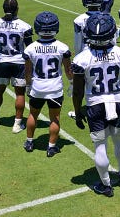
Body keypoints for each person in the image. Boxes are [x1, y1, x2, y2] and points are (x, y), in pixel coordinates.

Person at [71, 13, 120, 197]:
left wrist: (77, 110)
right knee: (119, 140)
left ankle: (106, 184)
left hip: (95, 104)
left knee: (100, 146)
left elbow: (77, 91)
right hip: (117, 101)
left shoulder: (81, 59)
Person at [23, 12, 73, 157]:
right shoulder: (62, 47)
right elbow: (68, 69)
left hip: (37, 87)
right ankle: (51, 147)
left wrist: (28, 85)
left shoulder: (30, 48)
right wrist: (71, 83)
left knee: (33, 114)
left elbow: (27, 71)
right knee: (55, 117)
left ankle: (29, 141)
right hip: (55, 88)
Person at [0, 0, 33, 133]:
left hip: (3, 61)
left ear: (3, 8)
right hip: (19, 63)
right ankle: (17, 124)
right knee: (20, 93)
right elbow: (30, 48)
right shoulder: (24, 26)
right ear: (17, 9)